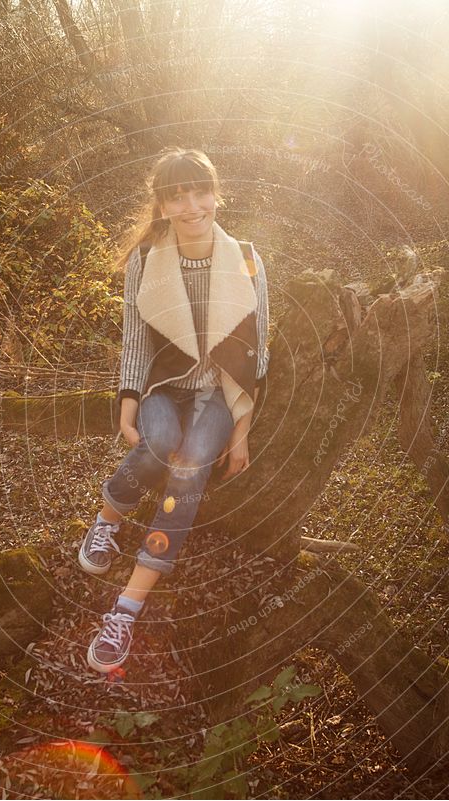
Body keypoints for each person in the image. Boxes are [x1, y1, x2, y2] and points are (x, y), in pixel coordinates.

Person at [79, 147, 270, 673]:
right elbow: (135, 340)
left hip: (217, 395)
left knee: (188, 472)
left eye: (199, 191)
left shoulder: (249, 257)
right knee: (157, 445)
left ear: (216, 193)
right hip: (164, 385)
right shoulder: (145, 260)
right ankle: (109, 517)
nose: (191, 206)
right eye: (176, 195)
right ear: (161, 205)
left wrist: (242, 430)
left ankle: (125, 610)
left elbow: (259, 350)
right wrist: (127, 404)